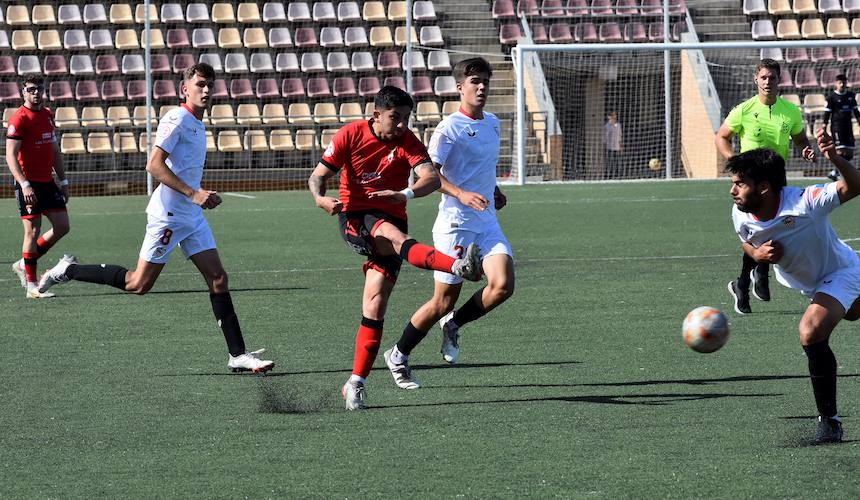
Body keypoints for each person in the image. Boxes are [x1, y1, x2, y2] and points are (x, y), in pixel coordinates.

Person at [37, 64, 274, 373]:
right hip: (169, 216)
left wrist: (198, 197)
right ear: (184, 89)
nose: (206, 90)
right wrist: (194, 193)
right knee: (138, 283)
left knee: (218, 278)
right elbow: (154, 165)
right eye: (200, 84)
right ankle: (70, 269)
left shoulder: (198, 124)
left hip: (191, 217)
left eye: (210, 85)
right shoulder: (176, 119)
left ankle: (238, 355)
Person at [308, 85, 483, 410]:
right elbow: (317, 176)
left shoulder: (408, 141)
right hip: (357, 218)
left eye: (406, 118)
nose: (402, 124)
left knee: (375, 306)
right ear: (377, 115)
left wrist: (404, 194)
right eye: (395, 117)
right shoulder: (350, 135)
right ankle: (457, 266)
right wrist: (320, 200)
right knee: (393, 235)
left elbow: (430, 178)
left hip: (392, 220)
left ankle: (355, 383)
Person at [381, 57, 515, 390]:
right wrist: (462, 193)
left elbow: (480, 168)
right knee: (442, 300)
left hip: (485, 221)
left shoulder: (494, 123)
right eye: (474, 81)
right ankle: (398, 353)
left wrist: (492, 190)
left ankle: (453, 325)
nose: (481, 86)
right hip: (455, 224)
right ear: (460, 87)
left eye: (485, 81)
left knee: (502, 285)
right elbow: (428, 174)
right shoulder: (448, 128)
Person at [727, 134, 860, 444]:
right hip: (808, 285)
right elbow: (745, 240)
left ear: (764, 187)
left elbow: (854, 187)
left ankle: (830, 423)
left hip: (840, 271)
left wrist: (836, 159)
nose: (732, 190)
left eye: (740, 183)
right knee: (854, 313)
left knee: (810, 331)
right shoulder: (740, 210)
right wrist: (757, 255)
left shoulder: (805, 201)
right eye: (732, 182)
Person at [715, 58, 815, 315]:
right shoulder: (744, 110)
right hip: (749, 182)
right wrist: (733, 162)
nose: (767, 82)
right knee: (754, 232)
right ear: (755, 80)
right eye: (763, 77)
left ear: (779, 80)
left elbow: (800, 138)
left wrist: (805, 149)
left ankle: (750, 278)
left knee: (774, 228)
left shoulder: (790, 111)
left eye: (772, 77)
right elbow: (721, 136)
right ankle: (747, 282)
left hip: (777, 179)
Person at [5, 74, 70, 299]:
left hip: (48, 182)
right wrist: (24, 185)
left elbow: (54, 151)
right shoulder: (18, 119)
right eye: (31, 89)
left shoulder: (47, 115)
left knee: (62, 226)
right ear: (23, 92)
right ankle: (32, 287)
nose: (36, 93)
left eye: (39, 88)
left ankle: (24, 263)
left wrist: (63, 181)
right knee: (32, 231)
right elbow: (10, 157)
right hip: (29, 185)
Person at [823, 73, 860, 181]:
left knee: (850, 153)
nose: (842, 84)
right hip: (837, 127)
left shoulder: (850, 96)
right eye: (840, 83)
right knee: (840, 150)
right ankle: (838, 172)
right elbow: (827, 113)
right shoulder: (831, 97)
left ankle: (834, 172)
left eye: (844, 82)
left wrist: (859, 120)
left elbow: (856, 111)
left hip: (848, 127)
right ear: (836, 84)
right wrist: (824, 126)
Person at [603, 111, 623, 179]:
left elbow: (620, 136)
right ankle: (607, 175)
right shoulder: (607, 126)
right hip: (609, 147)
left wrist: (621, 145)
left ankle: (618, 175)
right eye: (611, 116)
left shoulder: (618, 125)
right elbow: (605, 137)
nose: (613, 117)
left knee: (617, 161)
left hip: (617, 147)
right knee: (609, 161)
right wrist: (604, 146)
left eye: (614, 115)